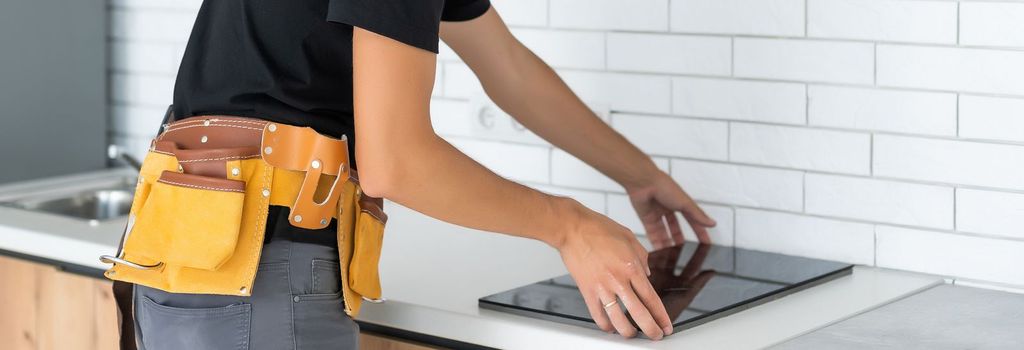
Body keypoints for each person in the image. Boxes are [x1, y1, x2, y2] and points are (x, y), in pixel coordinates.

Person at [130, 0, 716, 347]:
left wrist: (638, 175)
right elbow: (396, 163)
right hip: (259, 270)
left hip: (198, 256)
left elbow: (506, 66)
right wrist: (569, 227)